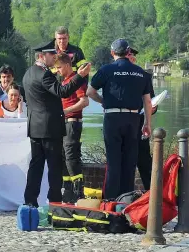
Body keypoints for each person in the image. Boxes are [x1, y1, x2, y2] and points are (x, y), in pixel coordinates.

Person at [22, 41, 91, 207]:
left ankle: (30, 201)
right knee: (54, 166)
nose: (54, 57)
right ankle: (54, 201)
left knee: (36, 166)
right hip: (50, 128)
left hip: (34, 127)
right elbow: (62, 91)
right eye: (51, 54)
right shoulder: (44, 74)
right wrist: (80, 76)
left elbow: (27, 99)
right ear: (41, 56)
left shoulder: (28, 73)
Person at [86, 38, 152, 200]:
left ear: (112, 53)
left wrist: (104, 102)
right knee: (130, 163)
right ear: (128, 52)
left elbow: (90, 92)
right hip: (133, 118)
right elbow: (148, 101)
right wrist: (147, 123)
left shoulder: (106, 70)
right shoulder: (141, 73)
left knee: (114, 162)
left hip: (113, 117)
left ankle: (110, 201)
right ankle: (126, 200)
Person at [54, 53, 89, 203]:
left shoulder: (77, 81)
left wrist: (66, 111)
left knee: (71, 157)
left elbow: (85, 101)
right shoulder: (65, 82)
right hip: (64, 123)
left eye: (59, 67)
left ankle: (78, 191)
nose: (57, 71)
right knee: (63, 157)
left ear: (67, 65)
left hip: (73, 122)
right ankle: (67, 191)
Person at [127, 47, 157, 191]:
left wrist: (153, 108)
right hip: (124, 121)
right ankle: (125, 194)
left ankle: (151, 193)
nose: (130, 58)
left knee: (144, 160)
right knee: (126, 160)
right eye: (128, 55)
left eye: (132, 55)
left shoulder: (144, 75)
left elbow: (151, 99)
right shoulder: (117, 74)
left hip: (140, 122)